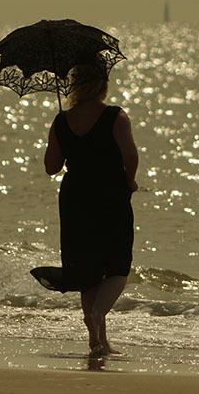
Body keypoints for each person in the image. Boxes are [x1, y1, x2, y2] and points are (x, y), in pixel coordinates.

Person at [35, 62, 138, 357]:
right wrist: (129, 180)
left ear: (74, 85)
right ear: (102, 84)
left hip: (75, 197)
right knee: (117, 266)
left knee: (86, 269)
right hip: (110, 195)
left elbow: (51, 167)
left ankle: (97, 342)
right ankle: (97, 316)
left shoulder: (61, 120)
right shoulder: (115, 116)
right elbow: (130, 154)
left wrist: (65, 137)